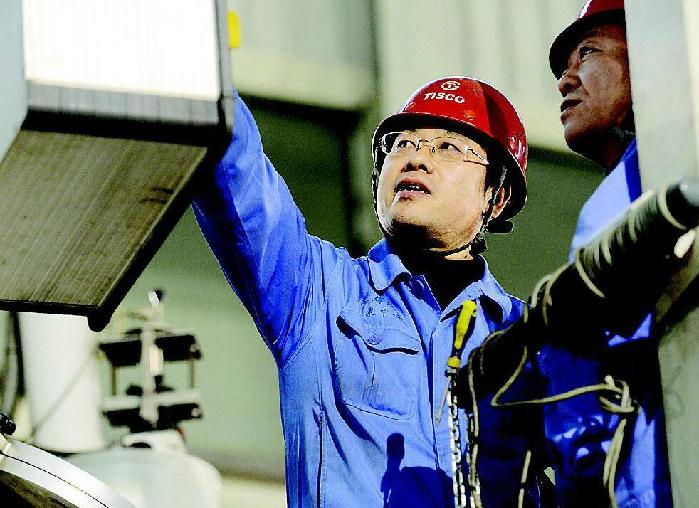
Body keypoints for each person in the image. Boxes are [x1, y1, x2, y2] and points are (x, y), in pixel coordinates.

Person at [193, 77, 549, 507]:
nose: (416, 159)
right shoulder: (316, 291)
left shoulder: (533, 337)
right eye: (402, 144)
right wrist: (201, 65)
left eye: (448, 147)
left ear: (497, 196)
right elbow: (237, 170)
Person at [540, 0, 673, 505]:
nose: (564, 81)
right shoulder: (626, 191)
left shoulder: (647, 186)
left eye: (588, 53)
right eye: (564, 66)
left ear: (652, 56)